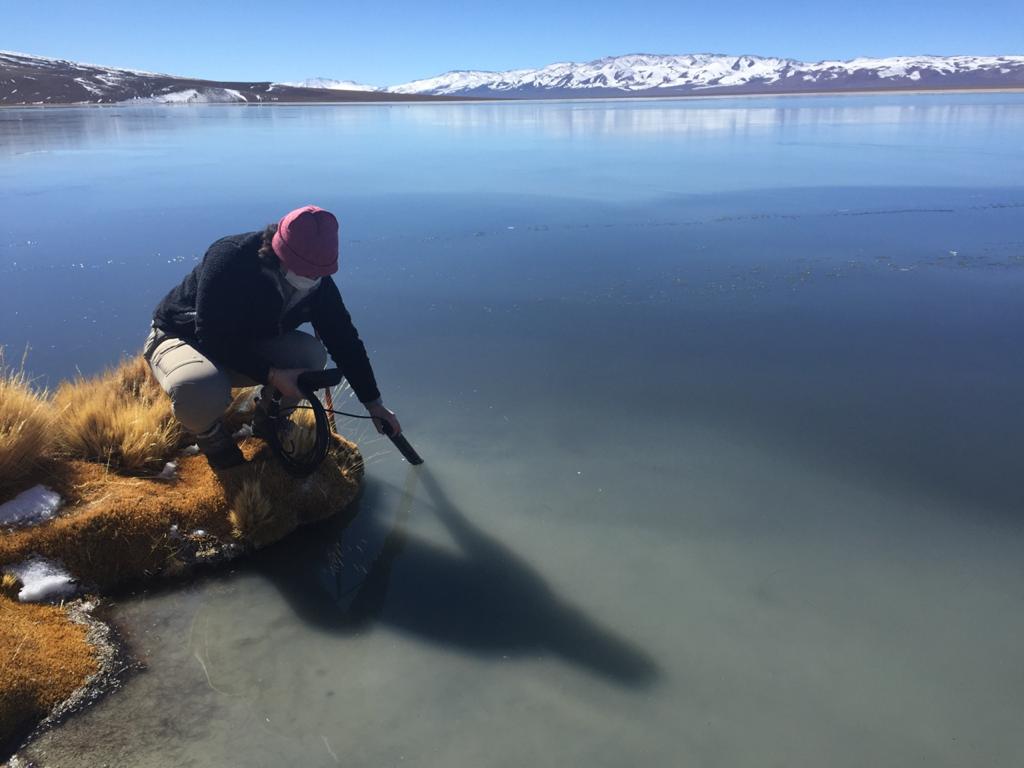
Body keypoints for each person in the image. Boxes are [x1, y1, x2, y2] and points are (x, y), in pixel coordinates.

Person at [143, 205, 400, 469]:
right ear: (280, 252)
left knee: (310, 357)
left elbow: (345, 341)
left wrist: (374, 404)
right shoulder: (231, 258)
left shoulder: (318, 285)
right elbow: (211, 333)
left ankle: (268, 420)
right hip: (183, 337)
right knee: (199, 388)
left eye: (318, 273)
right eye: (305, 270)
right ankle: (210, 435)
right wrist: (273, 374)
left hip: (242, 343)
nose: (310, 279)